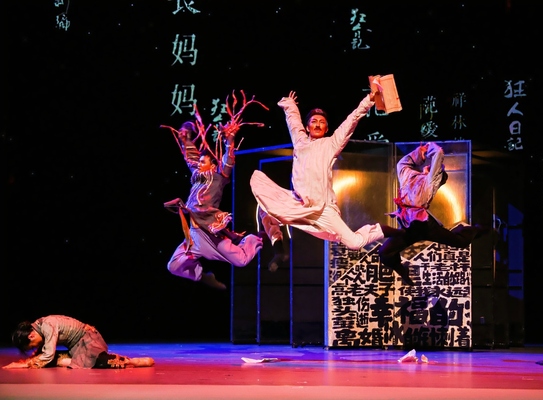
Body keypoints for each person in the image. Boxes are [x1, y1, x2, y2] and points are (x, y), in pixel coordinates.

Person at [250, 88, 404, 261]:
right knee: (265, 207)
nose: (317, 125)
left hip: (323, 209)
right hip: (299, 203)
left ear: (326, 128)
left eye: (321, 122)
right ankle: (278, 248)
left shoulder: (331, 144)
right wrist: (291, 105)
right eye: (313, 121)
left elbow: (352, 120)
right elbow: (293, 122)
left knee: (354, 243)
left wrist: (369, 99)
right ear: (307, 127)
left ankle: (390, 232)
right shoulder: (300, 142)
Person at [163, 94, 268, 288]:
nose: (199, 164)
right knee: (173, 266)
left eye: (203, 162)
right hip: (195, 235)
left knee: (241, 260)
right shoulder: (197, 176)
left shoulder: (218, 177)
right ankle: (202, 276)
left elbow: (228, 162)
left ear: (212, 165)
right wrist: (186, 137)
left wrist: (230, 139)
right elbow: (191, 157)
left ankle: (254, 238)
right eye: (199, 162)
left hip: (211, 234)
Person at [379, 142, 489, 286]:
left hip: (425, 226)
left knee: (461, 242)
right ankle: (402, 271)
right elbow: (410, 161)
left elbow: (433, 156)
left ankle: (474, 229)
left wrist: (427, 150)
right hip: (409, 226)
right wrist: (423, 150)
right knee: (384, 253)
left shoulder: (429, 182)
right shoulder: (408, 175)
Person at [2, 315, 154, 369]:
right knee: (53, 359)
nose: (34, 347)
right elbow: (43, 350)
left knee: (97, 362)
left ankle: (131, 361)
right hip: (76, 346)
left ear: (30, 336)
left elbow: (47, 354)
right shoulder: (38, 327)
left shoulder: (47, 325)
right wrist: (32, 359)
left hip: (88, 340)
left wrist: (25, 364)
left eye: (31, 346)